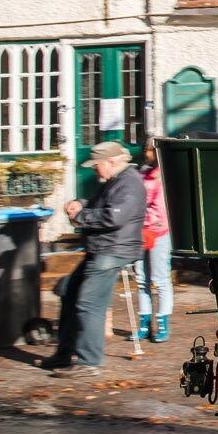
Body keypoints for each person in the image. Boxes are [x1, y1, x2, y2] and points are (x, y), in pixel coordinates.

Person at [37, 142, 146, 378]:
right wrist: (82, 204)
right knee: (69, 291)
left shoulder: (129, 182)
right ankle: (65, 353)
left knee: (89, 302)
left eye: (97, 165)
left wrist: (81, 215)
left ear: (112, 162)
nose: (94, 170)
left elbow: (113, 217)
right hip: (102, 248)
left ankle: (89, 361)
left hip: (113, 250)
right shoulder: (115, 181)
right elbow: (102, 206)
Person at [132, 140, 172, 343]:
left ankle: (163, 322)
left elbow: (160, 206)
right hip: (140, 231)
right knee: (141, 278)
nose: (146, 153)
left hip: (158, 232)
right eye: (145, 149)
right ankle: (144, 322)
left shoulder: (163, 175)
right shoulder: (142, 174)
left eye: (149, 149)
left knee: (160, 278)